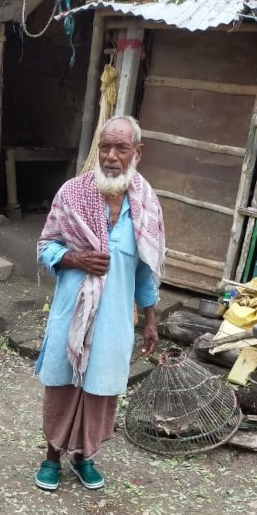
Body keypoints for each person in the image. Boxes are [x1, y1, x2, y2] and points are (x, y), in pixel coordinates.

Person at [34, 116, 165, 492]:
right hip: (72, 311)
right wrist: (77, 259)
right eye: (104, 147)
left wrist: (151, 319)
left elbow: (146, 269)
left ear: (136, 153)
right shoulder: (71, 193)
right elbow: (46, 246)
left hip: (114, 318)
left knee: (100, 389)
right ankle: (51, 457)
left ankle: (84, 457)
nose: (110, 156)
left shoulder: (146, 204)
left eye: (121, 148)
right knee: (62, 383)